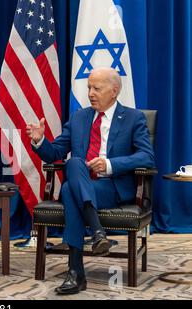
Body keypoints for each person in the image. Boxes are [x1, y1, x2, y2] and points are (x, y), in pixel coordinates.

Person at [26, 67, 155, 295]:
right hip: (84, 182)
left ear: (114, 91)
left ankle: (76, 270)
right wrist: (40, 140)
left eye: (97, 88)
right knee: (75, 164)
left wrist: (109, 164)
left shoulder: (133, 118)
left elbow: (147, 156)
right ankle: (96, 233)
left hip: (112, 187)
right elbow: (55, 152)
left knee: (69, 189)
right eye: (89, 88)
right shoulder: (79, 117)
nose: (90, 93)